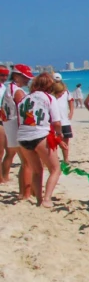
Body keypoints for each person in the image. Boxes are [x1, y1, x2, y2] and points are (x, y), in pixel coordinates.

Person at [17, 73, 66, 207]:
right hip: (39, 135)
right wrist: (59, 135)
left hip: (22, 137)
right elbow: (56, 122)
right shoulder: (49, 98)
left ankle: (39, 199)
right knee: (55, 169)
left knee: (37, 171)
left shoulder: (24, 99)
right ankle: (47, 199)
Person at [2, 65, 33, 194]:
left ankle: (24, 192)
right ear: (16, 76)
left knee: (24, 162)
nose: (27, 80)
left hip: (10, 126)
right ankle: (25, 194)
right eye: (25, 77)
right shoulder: (17, 91)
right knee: (27, 163)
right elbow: (24, 112)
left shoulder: (8, 89)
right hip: (18, 128)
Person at [50, 76, 74, 164]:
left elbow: (71, 101)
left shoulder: (66, 91)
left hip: (64, 121)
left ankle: (66, 159)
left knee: (66, 140)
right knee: (54, 141)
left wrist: (71, 112)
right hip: (55, 121)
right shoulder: (50, 96)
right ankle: (53, 159)